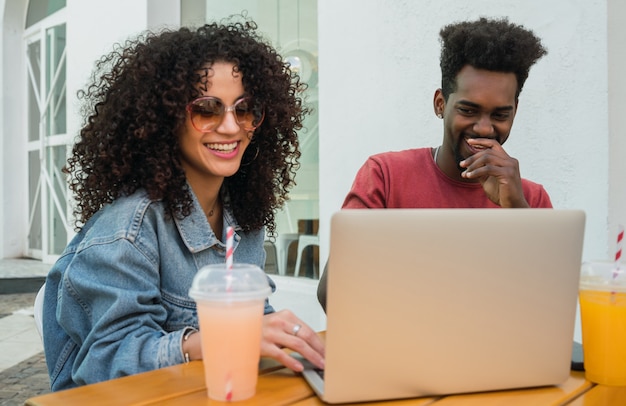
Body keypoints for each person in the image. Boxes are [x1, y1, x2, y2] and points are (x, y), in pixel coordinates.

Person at [42, 18, 325, 391]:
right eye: (207, 110)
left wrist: (285, 340)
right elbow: (108, 361)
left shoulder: (243, 217)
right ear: (165, 118)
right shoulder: (128, 230)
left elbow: (253, 325)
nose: (231, 127)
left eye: (244, 109)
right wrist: (223, 339)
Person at [318, 17, 552, 311]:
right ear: (440, 104)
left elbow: (548, 308)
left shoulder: (531, 201)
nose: (483, 128)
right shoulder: (385, 176)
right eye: (468, 110)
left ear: (515, 112)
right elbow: (332, 294)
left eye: (500, 115)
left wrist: (517, 211)